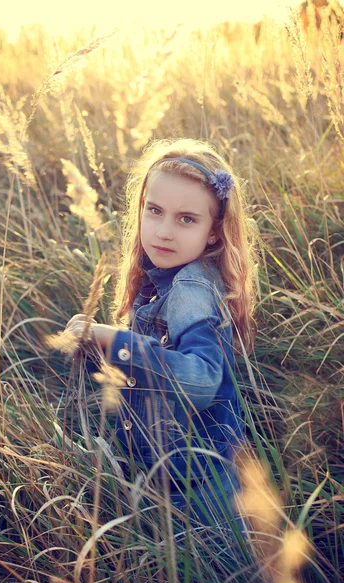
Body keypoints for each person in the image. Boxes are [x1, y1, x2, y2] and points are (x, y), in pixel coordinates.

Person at [65, 138, 258, 530]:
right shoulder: (161, 275)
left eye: (186, 219)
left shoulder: (190, 288)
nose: (164, 232)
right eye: (154, 211)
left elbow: (200, 380)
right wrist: (98, 348)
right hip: (165, 472)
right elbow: (156, 356)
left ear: (214, 232)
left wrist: (113, 341)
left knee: (221, 582)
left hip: (202, 486)